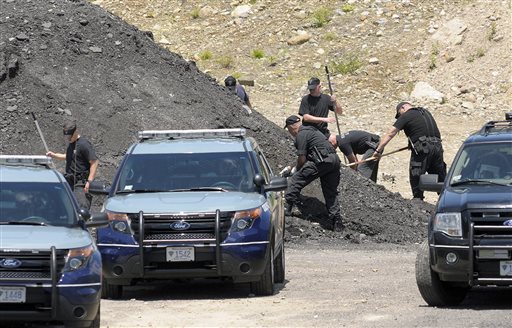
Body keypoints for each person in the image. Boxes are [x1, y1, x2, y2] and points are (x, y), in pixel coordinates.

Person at [372, 101, 446, 200]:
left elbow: (391, 133)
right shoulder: (425, 112)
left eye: (399, 114)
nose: (400, 116)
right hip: (437, 147)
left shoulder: (407, 115)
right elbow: (423, 129)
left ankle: (418, 202)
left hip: (423, 148)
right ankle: (447, 200)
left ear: (403, 108)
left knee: (416, 174)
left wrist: (378, 151)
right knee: (440, 176)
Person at [283, 115, 343, 232]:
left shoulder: (301, 135)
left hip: (323, 161)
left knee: (296, 180)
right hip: (334, 160)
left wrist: (296, 170)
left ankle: (287, 208)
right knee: (330, 192)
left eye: (289, 130)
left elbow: (302, 158)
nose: (290, 132)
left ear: (291, 127)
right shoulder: (311, 130)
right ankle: (337, 223)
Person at [46, 120, 99, 209]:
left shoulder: (84, 144)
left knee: (81, 206)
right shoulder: (71, 144)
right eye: (66, 136)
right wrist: (54, 155)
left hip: (80, 183)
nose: (68, 139)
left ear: (76, 132)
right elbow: (68, 156)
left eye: (70, 136)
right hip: (69, 181)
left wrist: (89, 181)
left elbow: (94, 161)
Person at [298, 77, 343, 146]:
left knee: (334, 141)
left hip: (322, 130)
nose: (311, 90)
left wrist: (335, 102)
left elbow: (339, 112)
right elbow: (306, 117)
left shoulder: (326, 98)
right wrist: (324, 119)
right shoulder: (306, 99)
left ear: (319, 87)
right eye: (310, 88)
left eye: (313, 88)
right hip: (309, 130)